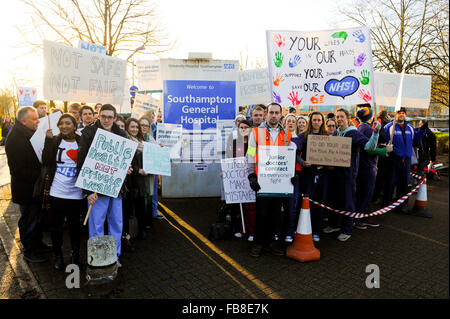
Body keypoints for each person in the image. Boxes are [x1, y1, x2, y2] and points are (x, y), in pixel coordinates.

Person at [77, 104, 129, 267]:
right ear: (98, 116)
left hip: (115, 187)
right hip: (96, 188)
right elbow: (82, 161)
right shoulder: (88, 133)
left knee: (116, 223)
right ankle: (97, 258)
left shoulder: (121, 134)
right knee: (96, 224)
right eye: (103, 116)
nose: (106, 120)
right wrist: (87, 191)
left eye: (110, 117)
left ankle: (115, 256)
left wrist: (126, 168)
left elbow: (124, 159)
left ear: (115, 118)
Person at [246, 102, 297, 257]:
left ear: (281, 114)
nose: (274, 115)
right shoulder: (255, 132)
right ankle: (258, 243)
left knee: (275, 214)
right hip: (262, 180)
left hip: (280, 180)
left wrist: (292, 175)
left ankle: (270, 243)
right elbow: (250, 153)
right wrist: (251, 175)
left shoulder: (287, 134)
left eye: (277, 113)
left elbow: (289, 157)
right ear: (266, 114)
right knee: (261, 213)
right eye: (271, 112)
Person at [323, 108, 381, 242]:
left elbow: (369, 147)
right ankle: (334, 224)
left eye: (342, 117)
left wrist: (376, 133)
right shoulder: (337, 132)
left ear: (348, 118)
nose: (339, 119)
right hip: (336, 173)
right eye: (337, 117)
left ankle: (347, 229)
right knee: (335, 201)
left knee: (348, 202)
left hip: (348, 174)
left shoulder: (353, 133)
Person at [5, 106, 49, 262]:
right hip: (27, 190)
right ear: (24, 121)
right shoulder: (15, 139)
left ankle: (38, 244)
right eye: (35, 119)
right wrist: (40, 175)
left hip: (34, 188)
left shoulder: (30, 132)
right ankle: (29, 250)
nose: (38, 121)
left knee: (36, 219)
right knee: (28, 221)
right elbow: (18, 170)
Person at [42, 113, 86, 270]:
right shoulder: (54, 141)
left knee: (75, 227)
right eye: (61, 123)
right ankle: (58, 256)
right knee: (56, 227)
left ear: (74, 125)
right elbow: (46, 160)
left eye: (68, 123)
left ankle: (75, 255)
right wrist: (47, 140)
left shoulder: (82, 142)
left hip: (76, 193)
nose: (64, 126)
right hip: (56, 192)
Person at [354, 107, 391, 230]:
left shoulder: (360, 127)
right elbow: (370, 149)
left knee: (364, 192)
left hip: (364, 165)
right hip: (368, 166)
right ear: (370, 116)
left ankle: (362, 215)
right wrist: (385, 150)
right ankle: (360, 217)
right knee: (366, 193)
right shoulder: (367, 129)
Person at [383, 107, 426, 213]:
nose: (401, 115)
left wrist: (422, 130)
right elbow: (383, 141)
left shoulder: (410, 127)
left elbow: (416, 140)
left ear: (405, 115)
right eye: (399, 113)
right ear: (395, 114)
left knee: (404, 184)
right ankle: (386, 205)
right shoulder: (388, 127)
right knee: (390, 184)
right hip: (393, 160)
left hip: (406, 160)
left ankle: (401, 206)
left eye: (403, 113)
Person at [295, 112, 330, 242]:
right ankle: (301, 228)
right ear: (310, 121)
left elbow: (332, 155)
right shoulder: (303, 136)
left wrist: (330, 163)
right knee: (305, 202)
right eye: (314, 120)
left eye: (318, 120)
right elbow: (295, 152)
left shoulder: (327, 137)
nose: (316, 122)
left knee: (319, 202)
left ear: (322, 122)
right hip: (308, 175)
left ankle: (316, 230)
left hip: (323, 175)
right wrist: (302, 162)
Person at [225, 119, 256, 241]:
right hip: (237, 178)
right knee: (239, 207)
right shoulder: (235, 143)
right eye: (241, 127)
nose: (243, 129)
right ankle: (242, 229)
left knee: (250, 206)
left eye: (246, 127)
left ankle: (252, 231)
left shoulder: (252, 144)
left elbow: (251, 159)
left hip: (249, 177)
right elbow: (230, 159)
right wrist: (226, 171)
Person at [123, 118, 148, 240]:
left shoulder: (142, 142)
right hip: (129, 181)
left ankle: (141, 229)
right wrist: (137, 170)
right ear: (127, 127)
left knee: (140, 207)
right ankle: (128, 235)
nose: (135, 129)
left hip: (140, 182)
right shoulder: (124, 142)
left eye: (137, 127)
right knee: (128, 209)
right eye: (132, 127)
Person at [138, 116, 160, 225]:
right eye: (142, 125)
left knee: (149, 195)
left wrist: (160, 148)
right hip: (137, 174)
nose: (144, 127)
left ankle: (147, 221)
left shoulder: (151, 139)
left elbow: (157, 153)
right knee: (139, 198)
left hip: (149, 174)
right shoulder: (133, 138)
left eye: (146, 125)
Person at [372, 110, 392, 202]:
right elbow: (383, 137)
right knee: (380, 177)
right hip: (381, 154)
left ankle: (376, 195)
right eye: (388, 115)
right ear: (385, 117)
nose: (389, 117)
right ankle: (375, 196)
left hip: (380, 153)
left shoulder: (378, 123)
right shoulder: (384, 125)